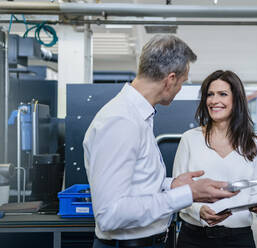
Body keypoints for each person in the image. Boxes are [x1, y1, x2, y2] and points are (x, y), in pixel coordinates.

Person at [83, 35, 238, 248]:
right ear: (170, 79)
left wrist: (171, 184)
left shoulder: (138, 116)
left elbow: (136, 184)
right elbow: (110, 214)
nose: (180, 88)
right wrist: (187, 194)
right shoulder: (121, 121)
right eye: (182, 82)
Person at [173, 70, 257, 248]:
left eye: (223, 94)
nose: (214, 101)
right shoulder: (190, 138)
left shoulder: (253, 144)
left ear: (236, 100)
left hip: (239, 239)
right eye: (210, 94)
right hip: (194, 238)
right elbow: (176, 192)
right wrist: (199, 210)